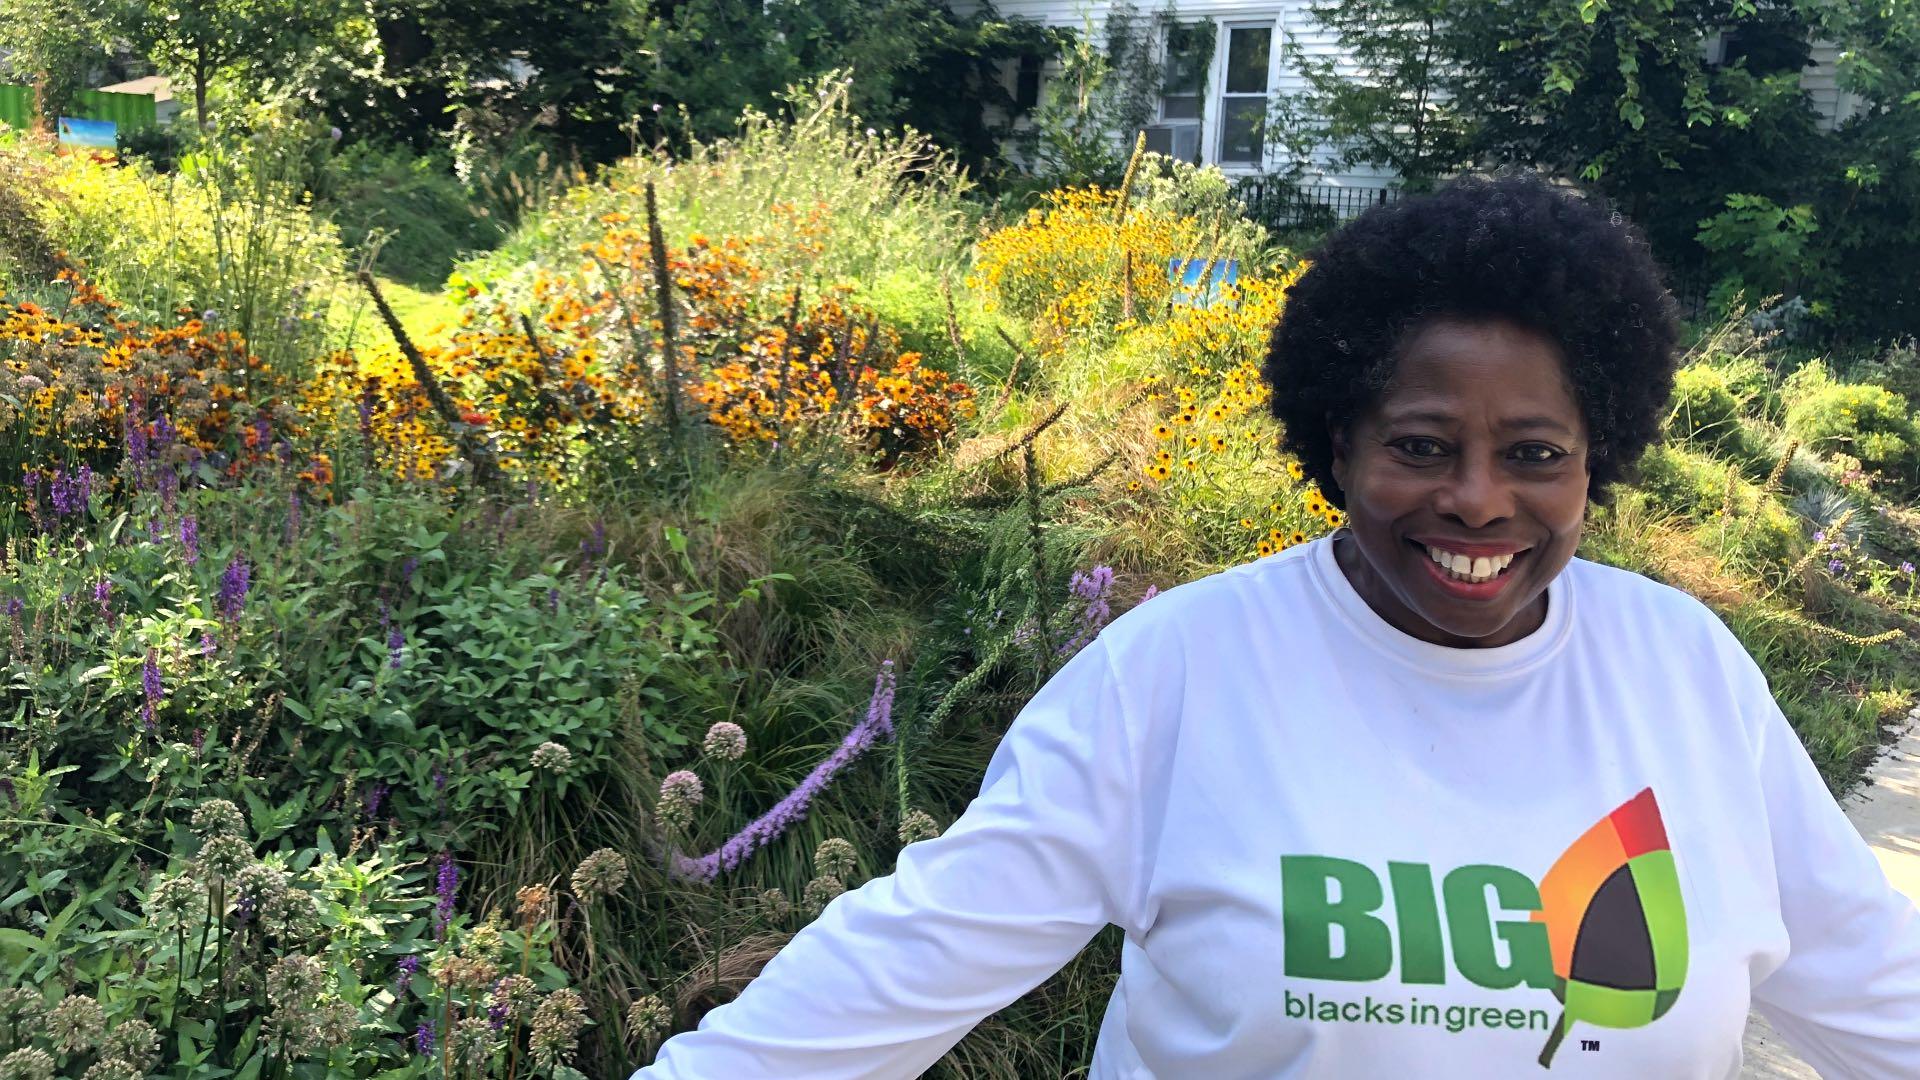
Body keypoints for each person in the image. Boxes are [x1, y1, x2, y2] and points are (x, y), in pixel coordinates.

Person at [635, 171, 1920, 1078]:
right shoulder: (1181, 671)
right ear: (1339, 444)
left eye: (1534, 451)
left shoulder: (1683, 671)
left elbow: (1866, 980)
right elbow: (909, 955)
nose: (1478, 498)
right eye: (1422, 446)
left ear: (1598, 460)